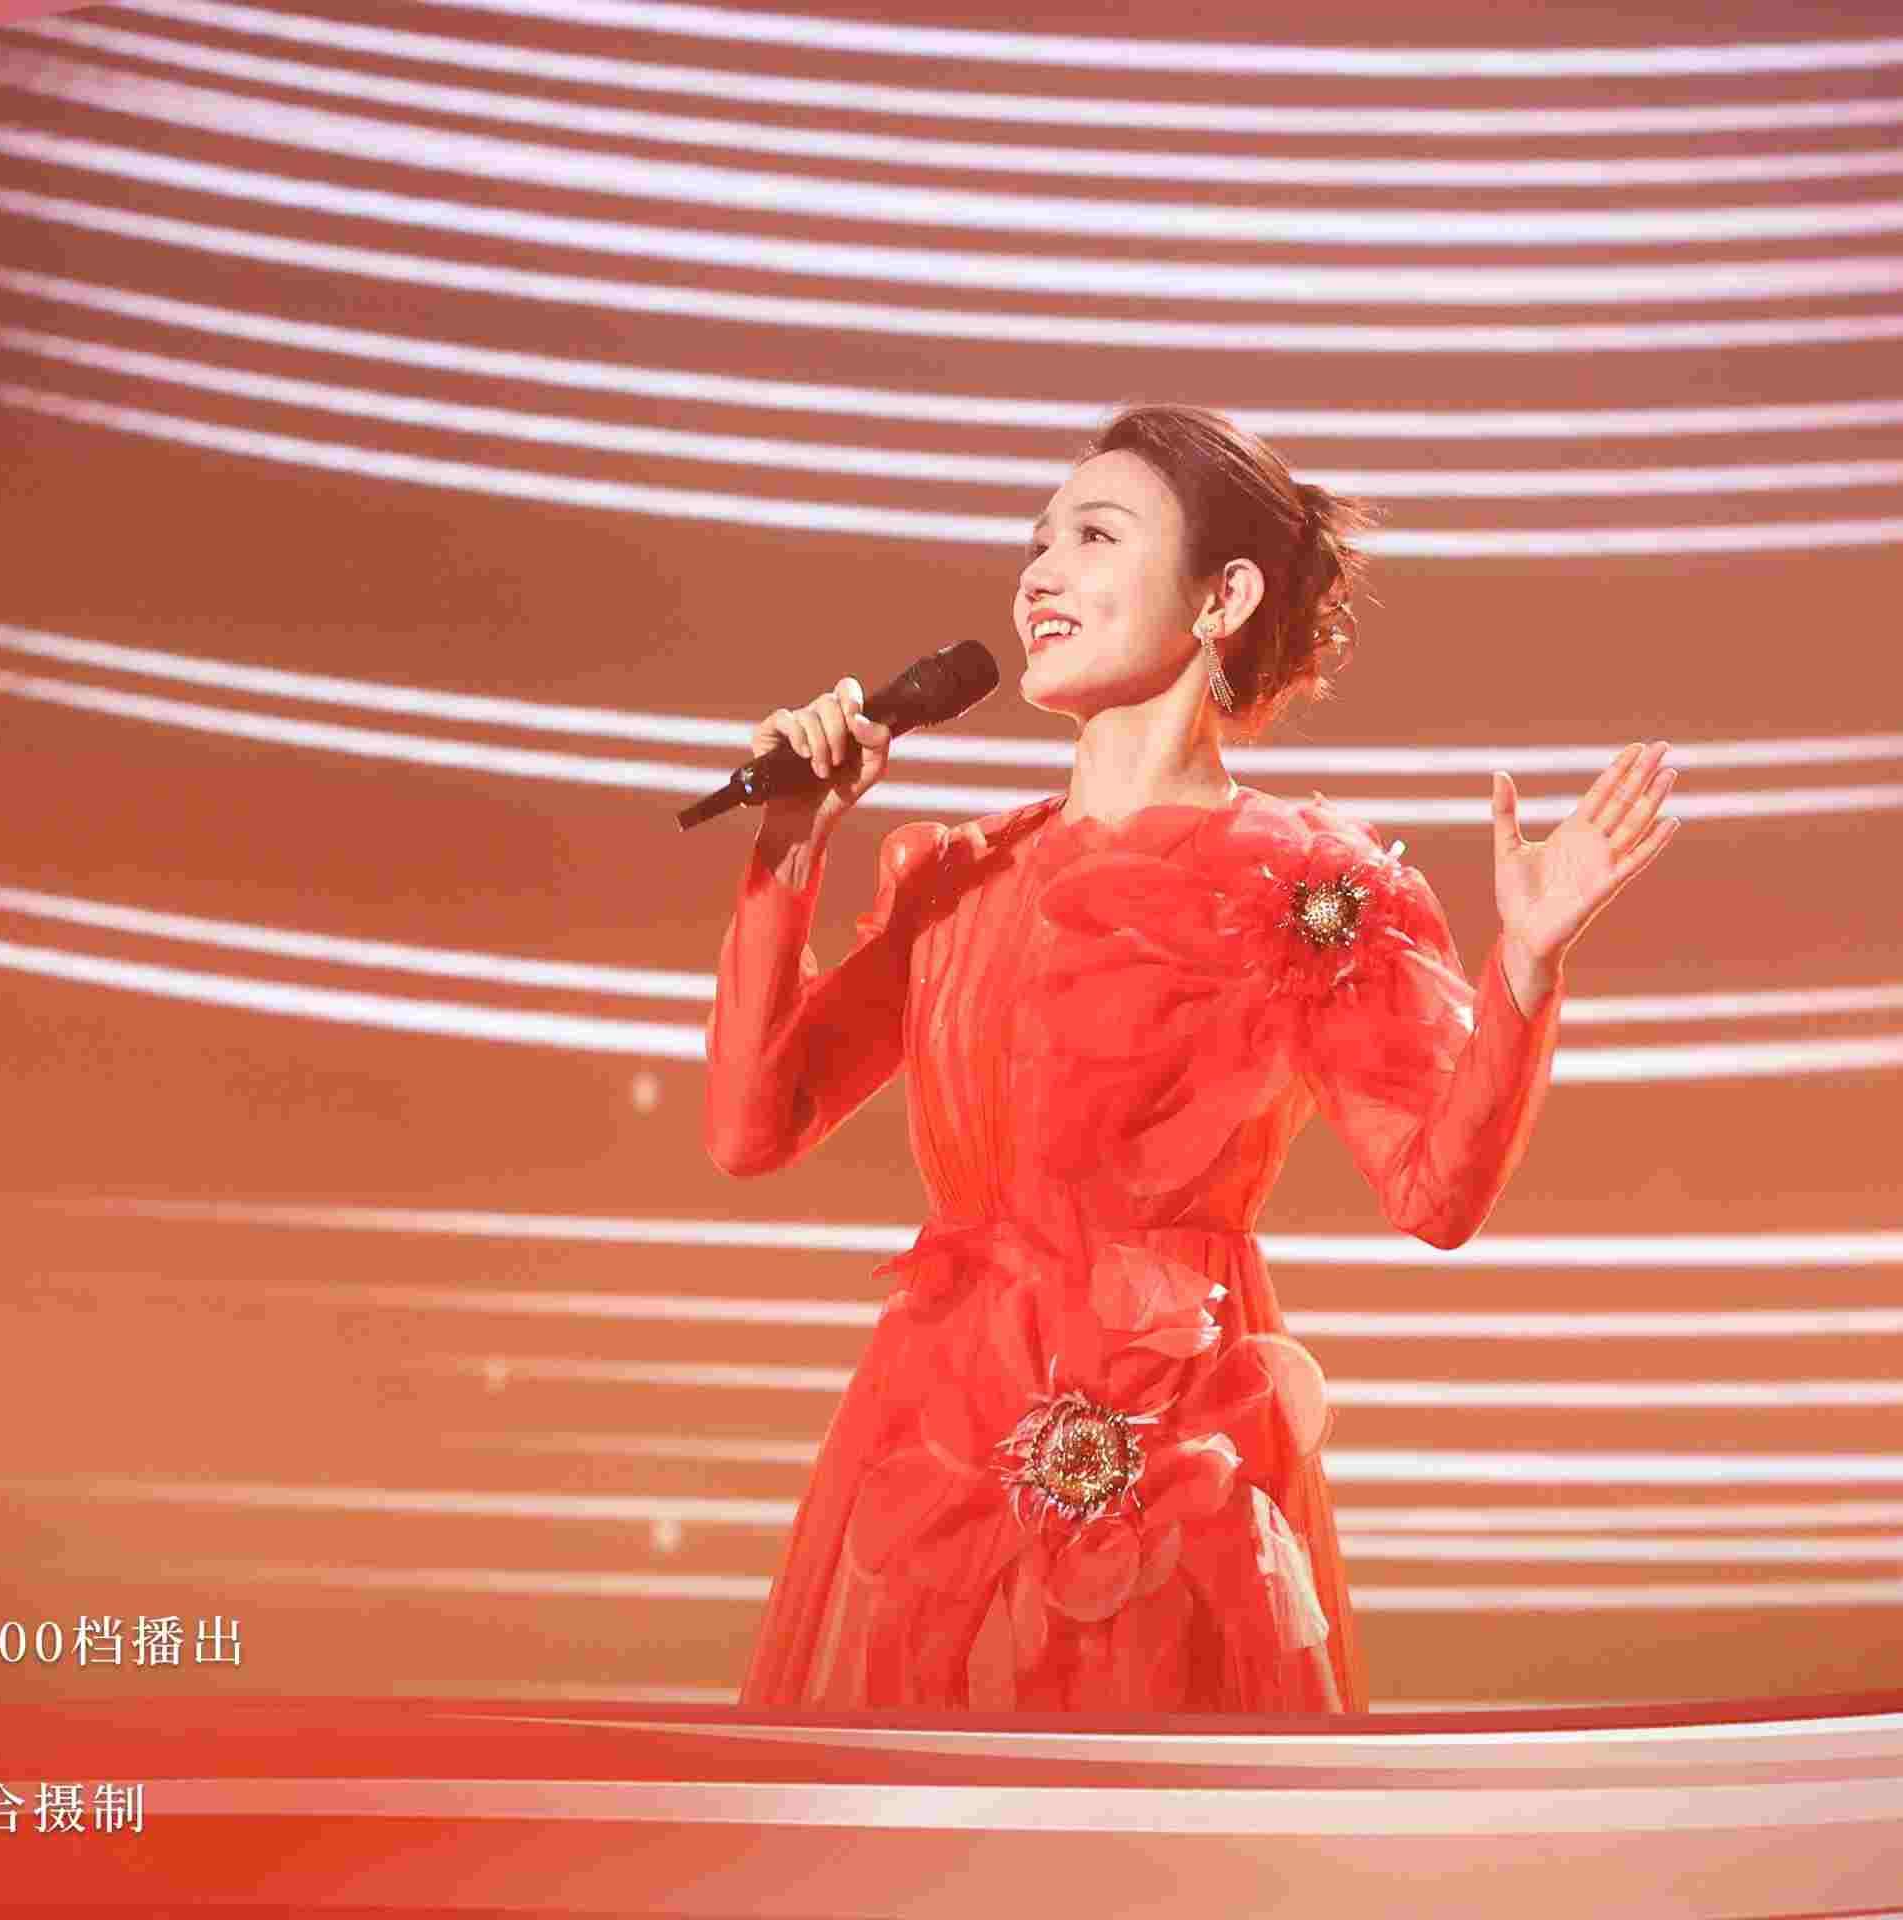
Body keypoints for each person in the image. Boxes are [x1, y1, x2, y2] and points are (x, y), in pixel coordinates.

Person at [705, 404, 1680, 1712]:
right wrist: (789, 849)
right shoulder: (956, 876)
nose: (1039, 575)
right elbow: (751, 1128)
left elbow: (1436, 1194)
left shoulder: (1312, 884)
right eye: (1036, 543)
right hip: (935, 1440)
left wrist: (1528, 965)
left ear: (1223, 598)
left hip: (1174, 1465)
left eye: (1095, 537)